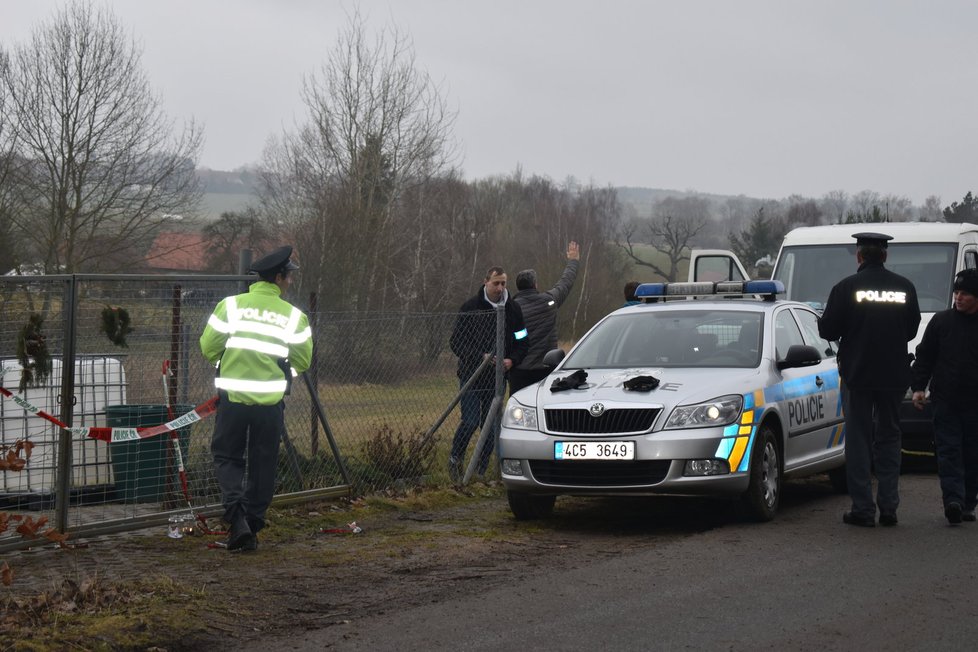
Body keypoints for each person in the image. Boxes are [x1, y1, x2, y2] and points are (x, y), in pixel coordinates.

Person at [199, 246, 313, 551]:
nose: (290, 283)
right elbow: (303, 360)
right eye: (288, 277)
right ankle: (252, 525)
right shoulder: (294, 317)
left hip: (232, 400)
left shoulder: (230, 306)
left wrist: (228, 364)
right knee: (263, 463)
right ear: (278, 277)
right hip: (270, 404)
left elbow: (209, 346)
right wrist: (281, 371)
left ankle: (237, 522)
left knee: (227, 457)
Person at [818, 232, 921, 527]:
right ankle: (888, 508)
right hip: (893, 375)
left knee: (859, 441)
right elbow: (911, 329)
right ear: (885, 256)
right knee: (889, 438)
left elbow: (827, 330)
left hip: (857, 374)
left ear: (859, 256)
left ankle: (863, 509)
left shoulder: (846, 287)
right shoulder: (904, 288)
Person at [910, 268, 978, 524]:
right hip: (945, 400)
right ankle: (953, 501)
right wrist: (918, 387)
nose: (958, 298)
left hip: (975, 403)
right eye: (956, 293)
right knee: (949, 452)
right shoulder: (941, 322)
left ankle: (969, 501)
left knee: (973, 454)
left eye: (965, 294)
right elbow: (924, 356)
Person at [449, 266, 528, 480]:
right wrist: (480, 357)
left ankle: (480, 471)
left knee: (491, 426)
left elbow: (522, 340)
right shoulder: (470, 308)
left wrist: (512, 360)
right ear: (486, 282)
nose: (500, 287)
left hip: (498, 378)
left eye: (503, 283)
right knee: (471, 421)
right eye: (496, 283)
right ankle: (455, 459)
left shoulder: (513, 309)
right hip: (471, 376)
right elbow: (456, 342)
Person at [509, 241, 580, 394]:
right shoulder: (549, 301)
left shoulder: (511, 308)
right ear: (535, 285)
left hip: (519, 370)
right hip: (545, 369)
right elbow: (566, 282)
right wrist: (573, 261)